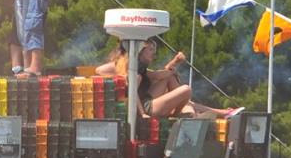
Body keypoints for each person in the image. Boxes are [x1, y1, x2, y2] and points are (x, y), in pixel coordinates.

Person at [96, 39, 237, 122]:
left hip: (149, 101)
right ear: (141, 50)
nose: (154, 53)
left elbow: (160, 75)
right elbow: (100, 71)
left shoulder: (142, 68)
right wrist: (121, 76)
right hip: (147, 108)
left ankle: (221, 112)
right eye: (151, 49)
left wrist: (175, 62)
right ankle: (177, 114)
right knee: (186, 90)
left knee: (170, 78)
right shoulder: (131, 69)